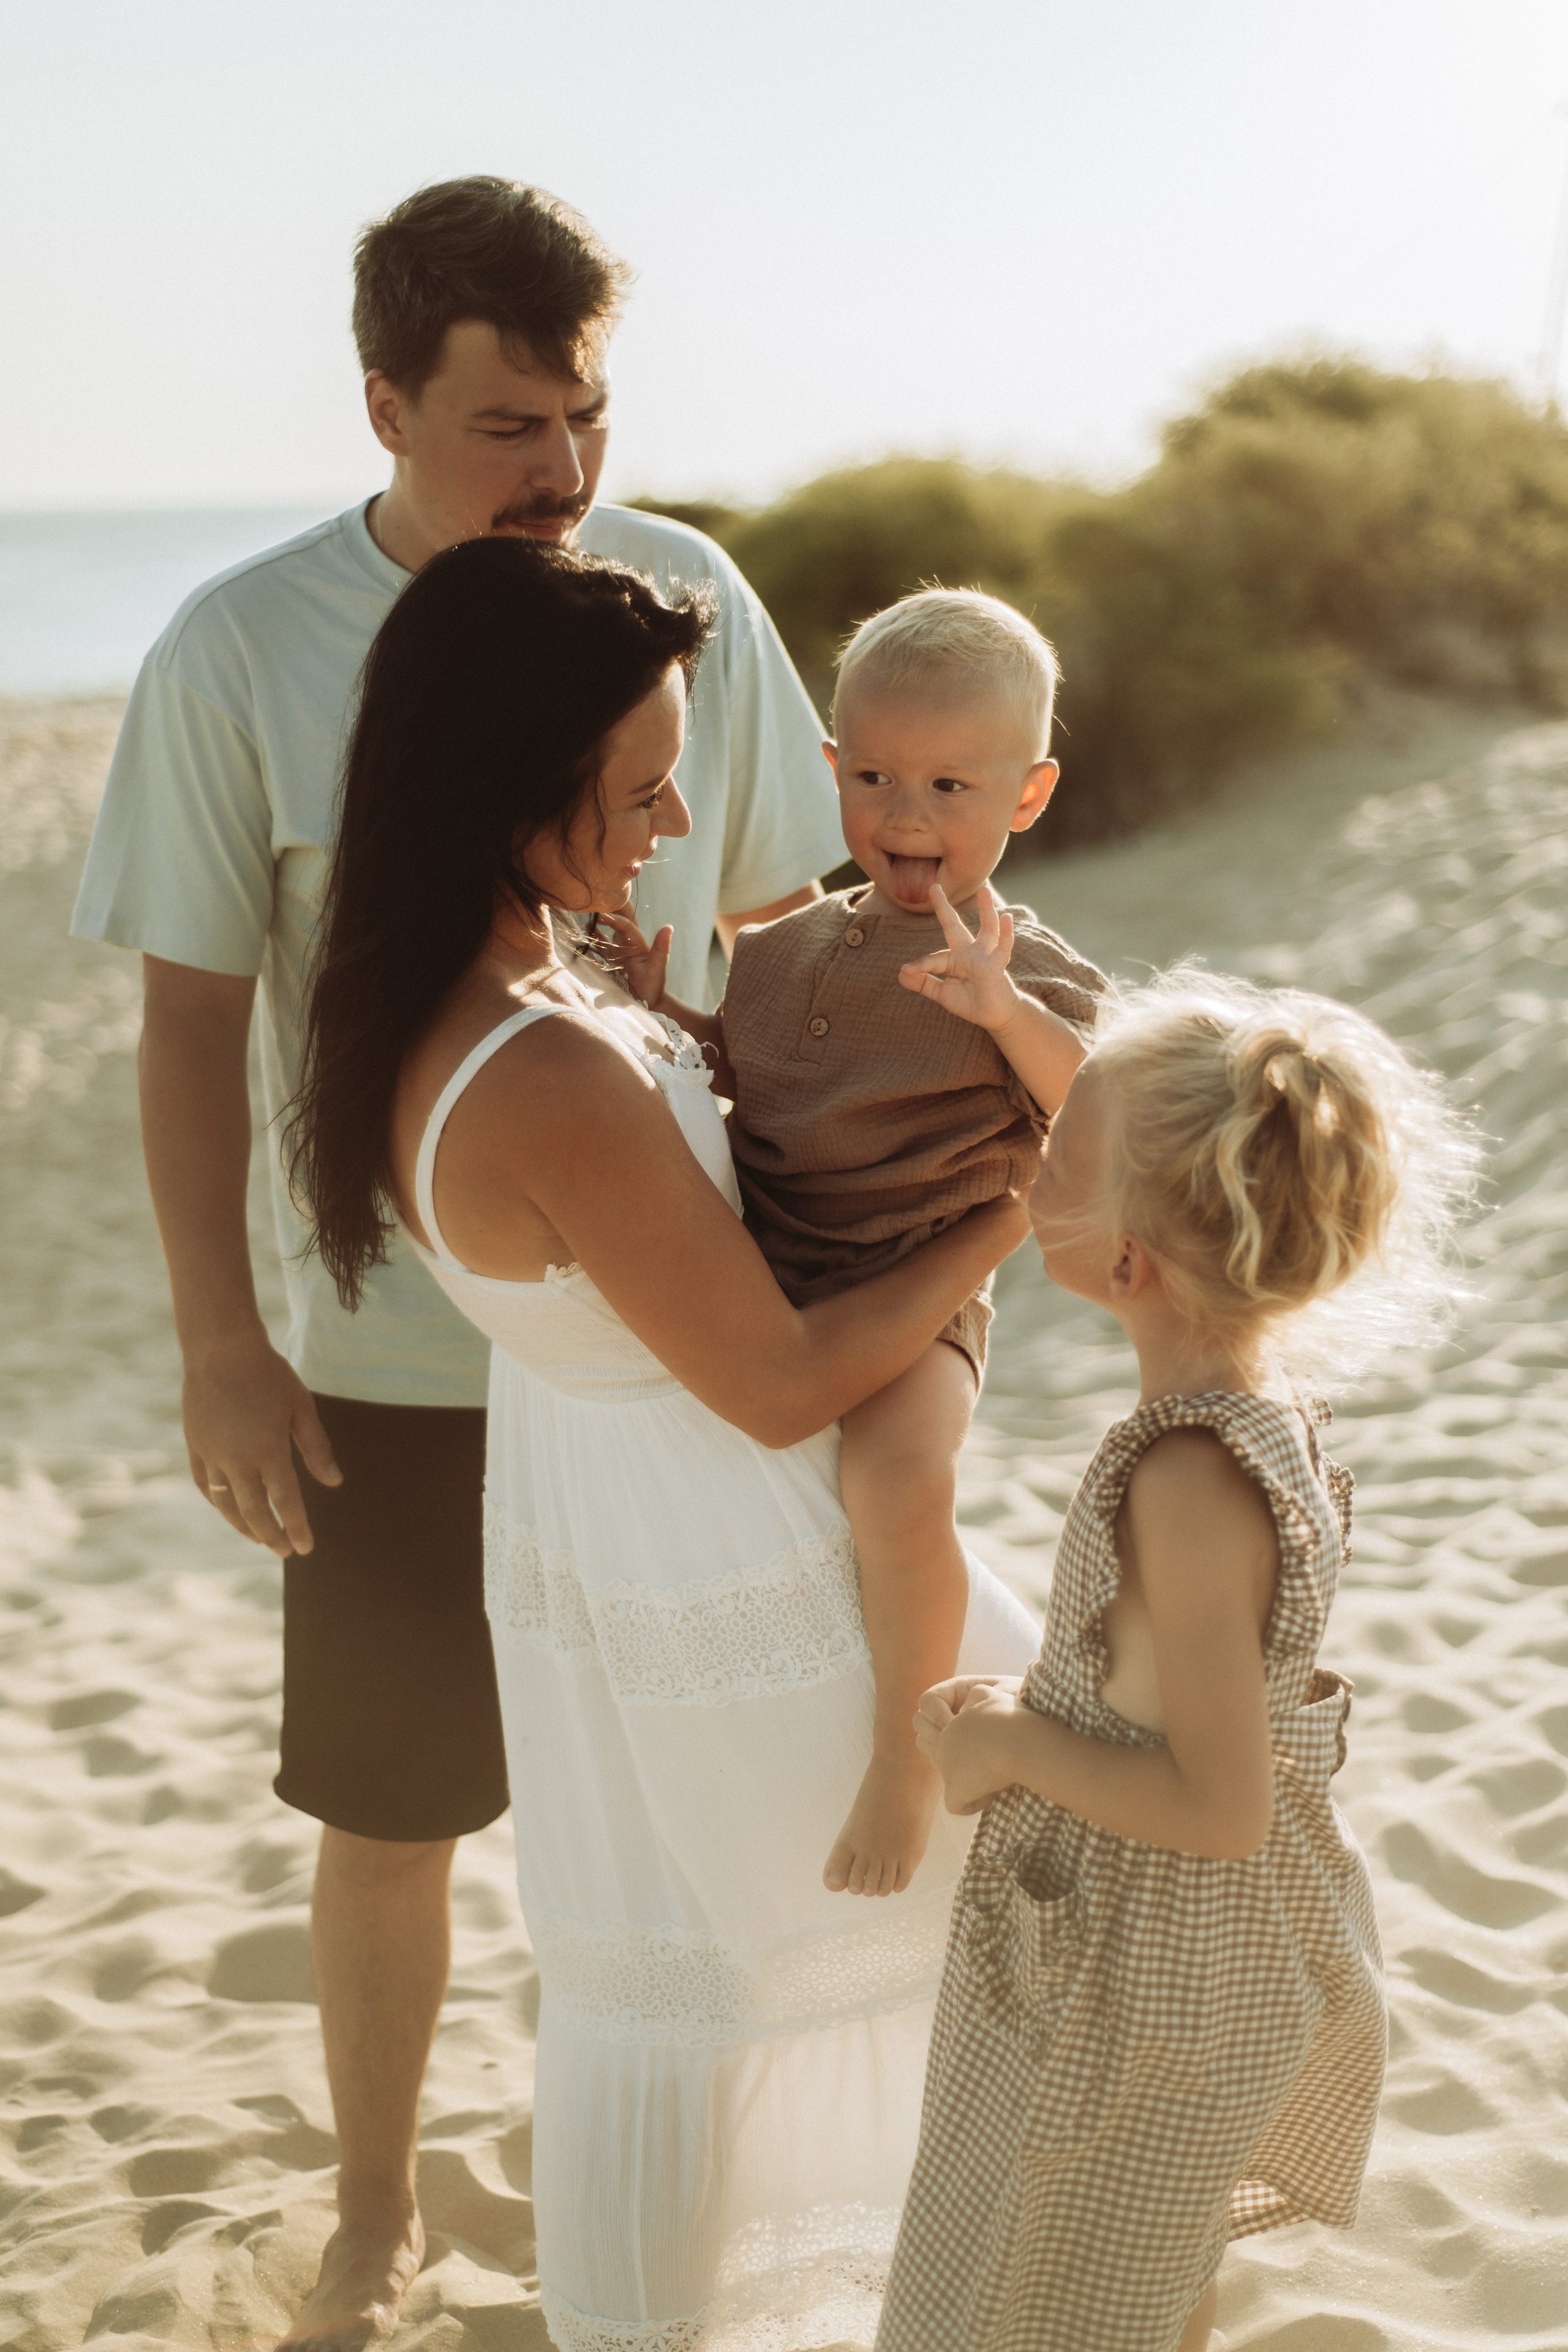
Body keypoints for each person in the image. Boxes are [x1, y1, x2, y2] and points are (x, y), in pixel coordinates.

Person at [69, 176, 847, 2350]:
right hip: (399, 1360)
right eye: (509, 424)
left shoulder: (680, 590)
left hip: (677, 1329)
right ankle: (376, 2209)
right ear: (387, 403)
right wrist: (225, 1343)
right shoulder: (239, 644)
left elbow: (773, 922)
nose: (564, 474)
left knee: (713, 1807)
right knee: (394, 1805)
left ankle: (741, 2182)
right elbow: (196, 1015)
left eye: (586, 415)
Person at [287, 532, 1043, 2348]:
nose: (681, 812)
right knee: (1017, 1906)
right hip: (736, 1553)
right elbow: (780, 1380)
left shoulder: (507, 980)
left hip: (645, 1536)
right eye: (638, 785)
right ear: (512, 784)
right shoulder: (535, 1067)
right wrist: (1015, 1207)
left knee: (741, 1984)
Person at [878, 970, 1474, 2352]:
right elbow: (1179, 1707)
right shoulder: (1266, 1420)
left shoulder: (1185, 1480)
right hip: (1185, 1951)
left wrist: (1011, 1746)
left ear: (1128, 1258)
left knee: (1049, 2289)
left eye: (1062, 1152)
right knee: (1133, 2285)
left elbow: (1216, 1805)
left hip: (1137, 1978)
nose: (1036, 1163)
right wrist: (1039, 1701)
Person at [597, 590, 1105, 1899]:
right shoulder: (779, 950)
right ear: (829, 771)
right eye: (872, 775)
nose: (905, 814)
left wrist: (1001, 1019)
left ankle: (900, 1755)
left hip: (915, 1298)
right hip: (772, 1275)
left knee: (893, 1484)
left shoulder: (1021, 968)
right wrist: (670, 1021)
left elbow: (1093, 1117)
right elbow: (745, 1084)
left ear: (1026, 796)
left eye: (948, 783)